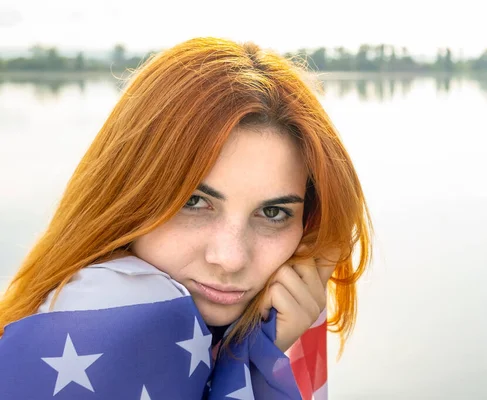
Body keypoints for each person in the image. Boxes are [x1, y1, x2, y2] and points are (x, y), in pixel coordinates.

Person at [0, 37, 372, 399]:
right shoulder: (101, 327)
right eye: (194, 201)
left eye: (273, 213)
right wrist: (253, 361)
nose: (230, 258)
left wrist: (253, 352)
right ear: (124, 192)